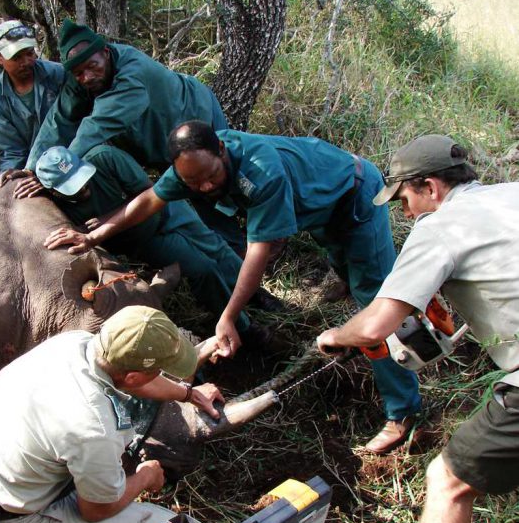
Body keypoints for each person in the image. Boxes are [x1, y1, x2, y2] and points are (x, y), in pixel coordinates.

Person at [48, 121, 422, 453]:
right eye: (193, 184)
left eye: (210, 176)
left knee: (376, 303)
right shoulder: (192, 165)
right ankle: (347, 277)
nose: (205, 187)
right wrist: (92, 235)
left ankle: (402, 412)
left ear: (222, 151)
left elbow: (258, 255)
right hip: (319, 209)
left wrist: (228, 317)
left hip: (353, 196)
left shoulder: (262, 172)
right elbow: (149, 201)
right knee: (345, 262)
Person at [316, 135, 519, 523]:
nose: (404, 213)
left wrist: (335, 336)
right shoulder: (509, 194)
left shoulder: (440, 226)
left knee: (447, 483)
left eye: (403, 199)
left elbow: (375, 327)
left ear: (430, 187)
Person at [0, 305, 224, 523]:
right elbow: (97, 510)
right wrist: (145, 476)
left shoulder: (76, 343)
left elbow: (132, 380)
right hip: (16, 513)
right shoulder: (94, 429)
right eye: (159, 370)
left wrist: (187, 394)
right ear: (133, 376)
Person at [22, 19, 245, 255]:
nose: (86, 77)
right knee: (186, 187)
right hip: (157, 139)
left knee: (212, 184)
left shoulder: (132, 74)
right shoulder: (82, 76)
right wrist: (33, 168)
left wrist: (64, 168)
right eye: (78, 73)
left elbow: (96, 125)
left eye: (92, 66)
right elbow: (59, 119)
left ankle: (244, 247)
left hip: (194, 114)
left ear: (106, 53)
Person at [26, 145, 281, 347]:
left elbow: (149, 194)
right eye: (72, 189)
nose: (82, 189)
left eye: (82, 180)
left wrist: (106, 220)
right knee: (203, 269)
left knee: (215, 246)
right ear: (53, 191)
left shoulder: (105, 158)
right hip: (146, 239)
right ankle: (244, 328)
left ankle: (256, 293)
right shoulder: (53, 206)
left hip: (168, 210)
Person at [0, 21, 66, 174]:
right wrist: (12, 173)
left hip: (68, 157)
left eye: (29, 53)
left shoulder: (59, 75)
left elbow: (72, 124)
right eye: (16, 57)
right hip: (31, 170)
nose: (26, 62)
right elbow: (11, 151)